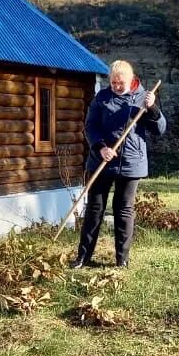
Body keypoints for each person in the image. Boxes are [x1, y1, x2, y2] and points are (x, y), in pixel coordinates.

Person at [72, 60, 167, 268]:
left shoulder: (143, 98)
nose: (116, 86)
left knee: (123, 211)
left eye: (120, 83)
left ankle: (121, 260)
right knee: (94, 209)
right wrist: (100, 147)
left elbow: (160, 129)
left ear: (131, 80)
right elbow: (90, 126)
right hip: (101, 162)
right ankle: (83, 258)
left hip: (131, 164)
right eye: (113, 82)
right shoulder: (102, 97)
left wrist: (152, 109)